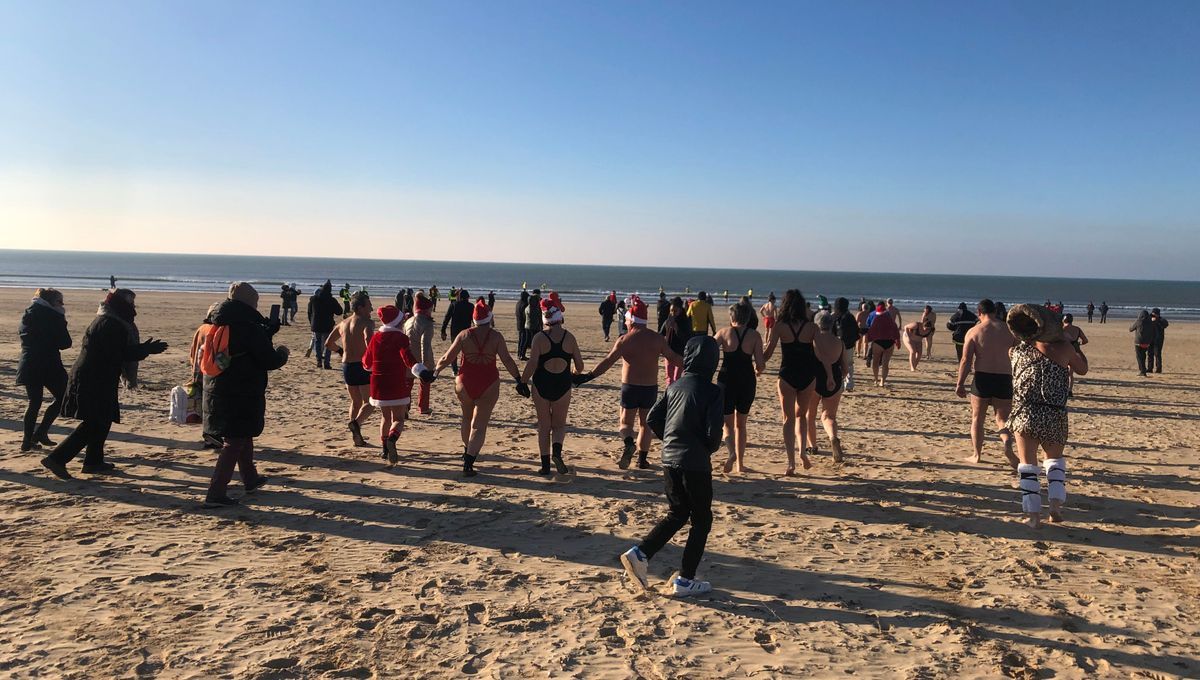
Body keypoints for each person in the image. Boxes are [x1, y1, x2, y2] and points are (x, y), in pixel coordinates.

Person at [619, 335, 723, 598]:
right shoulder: (713, 391)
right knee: (702, 520)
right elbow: (713, 435)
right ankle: (686, 579)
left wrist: (670, 439)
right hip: (695, 463)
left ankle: (640, 553)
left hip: (669, 459)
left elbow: (654, 418)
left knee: (678, 513)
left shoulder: (676, 386)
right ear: (713, 361)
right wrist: (705, 448)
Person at [38, 289, 166, 479]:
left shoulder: (112, 320)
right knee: (95, 422)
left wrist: (143, 349)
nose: (133, 307)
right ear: (120, 305)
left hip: (99, 376)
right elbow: (118, 353)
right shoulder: (109, 323)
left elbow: (118, 352)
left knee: (103, 420)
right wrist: (145, 350)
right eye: (130, 303)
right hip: (93, 377)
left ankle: (93, 461)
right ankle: (57, 458)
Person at [199, 283, 287, 507]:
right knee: (235, 440)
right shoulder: (248, 327)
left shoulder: (217, 322)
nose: (256, 306)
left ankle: (250, 478)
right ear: (248, 302)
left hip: (218, 387)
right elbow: (267, 359)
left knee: (241, 434)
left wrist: (267, 332)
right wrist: (282, 354)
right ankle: (216, 493)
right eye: (255, 302)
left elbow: (244, 347)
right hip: (239, 390)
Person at [574, 296, 683, 470]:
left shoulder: (625, 340)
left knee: (625, 424)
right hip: (650, 389)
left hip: (630, 387)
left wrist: (587, 377)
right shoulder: (657, 339)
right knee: (645, 426)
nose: (625, 322)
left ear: (631, 320)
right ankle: (642, 460)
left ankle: (628, 443)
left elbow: (607, 362)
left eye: (626, 319)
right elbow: (674, 358)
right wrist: (693, 367)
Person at [1005, 304, 1088, 528]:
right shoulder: (1064, 349)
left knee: (1028, 466)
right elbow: (1082, 369)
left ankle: (1033, 516)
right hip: (1054, 412)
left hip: (1026, 412)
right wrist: (1073, 346)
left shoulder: (1016, 351)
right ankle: (1055, 507)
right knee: (1054, 462)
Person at [434, 299, 524, 477]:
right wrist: (518, 379)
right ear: (489, 317)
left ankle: (467, 449)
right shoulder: (496, 337)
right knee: (479, 426)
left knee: (466, 418)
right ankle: (469, 461)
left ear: (474, 319)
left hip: (464, 382)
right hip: (488, 383)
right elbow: (507, 360)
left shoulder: (464, 335)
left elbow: (447, 357)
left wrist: (435, 372)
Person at [519, 298, 585, 475]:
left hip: (542, 384)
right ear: (559, 317)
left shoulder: (539, 338)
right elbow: (580, 366)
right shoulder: (569, 337)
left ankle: (545, 466)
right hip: (562, 384)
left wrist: (522, 382)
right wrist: (574, 372)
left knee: (544, 426)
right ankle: (557, 452)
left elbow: (532, 363)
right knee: (559, 425)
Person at [955, 299, 1018, 469]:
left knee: (977, 418)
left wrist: (960, 383)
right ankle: (1007, 444)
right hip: (1004, 378)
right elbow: (1018, 355)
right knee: (1002, 419)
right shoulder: (1009, 331)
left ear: (979, 313)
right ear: (995, 312)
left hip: (982, 378)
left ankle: (977, 455)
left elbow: (966, 360)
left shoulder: (974, 331)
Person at [363, 305, 428, 467]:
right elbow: (408, 358)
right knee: (398, 418)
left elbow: (367, 363)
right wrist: (421, 371)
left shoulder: (376, 338)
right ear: (397, 322)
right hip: (396, 381)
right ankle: (392, 439)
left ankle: (385, 448)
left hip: (378, 383)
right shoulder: (401, 338)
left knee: (385, 417)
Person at [762, 289, 818, 474]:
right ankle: (802, 452)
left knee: (788, 419)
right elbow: (820, 353)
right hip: (808, 375)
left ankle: (791, 462)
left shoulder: (779, 326)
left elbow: (768, 353)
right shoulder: (812, 327)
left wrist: (757, 363)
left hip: (787, 375)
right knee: (802, 415)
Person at [17, 288, 71, 452]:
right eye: (59, 301)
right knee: (64, 396)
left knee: (34, 402)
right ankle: (40, 432)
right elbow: (65, 343)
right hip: (48, 363)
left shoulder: (28, 313)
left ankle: (27, 440)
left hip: (28, 362)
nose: (62, 305)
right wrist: (61, 319)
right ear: (50, 302)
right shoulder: (54, 316)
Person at [716, 303, 765, 474]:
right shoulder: (755, 336)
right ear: (748, 318)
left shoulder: (723, 332)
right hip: (746, 381)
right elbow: (760, 364)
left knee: (727, 424)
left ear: (732, 317)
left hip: (726, 380)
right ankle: (740, 464)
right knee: (741, 424)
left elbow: (708, 351)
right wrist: (759, 370)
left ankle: (732, 453)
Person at [324, 291, 376, 447]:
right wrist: (374, 359)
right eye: (369, 306)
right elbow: (368, 341)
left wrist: (341, 351)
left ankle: (356, 436)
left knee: (355, 401)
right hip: (362, 365)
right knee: (370, 402)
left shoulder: (343, 323)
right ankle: (356, 424)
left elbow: (328, 343)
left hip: (347, 365)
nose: (371, 309)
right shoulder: (367, 322)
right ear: (360, 307)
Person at [809, 311, 849, 463]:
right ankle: (832, 437)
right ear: (832, 324)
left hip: (814, 379)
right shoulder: (839, 342)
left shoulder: (812, 341)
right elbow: (845, 369)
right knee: (829, 416)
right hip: (834, 380)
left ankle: (812, 446)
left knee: (810, 416)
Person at [188, 302, 222, 449]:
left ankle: (209, 436)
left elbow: (193, 351)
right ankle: (212, 437)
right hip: (211, 372)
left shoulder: (201, 329)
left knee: (205, 405)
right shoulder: (215, 330)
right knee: (213, 406)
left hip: (199, 371)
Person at [404, 291, 437, 415]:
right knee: (425, 383)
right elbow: (425, 344)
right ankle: (423, 407)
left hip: (408, 357)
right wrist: (425, 363)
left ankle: (405, 407)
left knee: (407, 384)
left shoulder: (408, 321)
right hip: (422, 357)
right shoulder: (427, 324)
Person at [307, 281, 342, 369]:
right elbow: (339, 311)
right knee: (328, 344)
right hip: (327, 325)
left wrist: (311, 323)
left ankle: (319, 361)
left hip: (316, 324)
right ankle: (326, 363)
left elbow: (309, 312)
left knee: (318, 343)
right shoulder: (331, 300)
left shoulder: (314, 299)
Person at [865, 303, 901, 387]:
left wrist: (868, 340)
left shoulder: (876, 319)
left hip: (878, 342)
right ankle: (882, 382)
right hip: (890, 343)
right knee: (885, 364)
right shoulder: (890, 319)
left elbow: (871, 330)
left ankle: (876, 380)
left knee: (875, 362)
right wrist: (898, 341)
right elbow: (896, 330)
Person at [442, 289, 474, 374]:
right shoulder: (471, 306)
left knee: (454, 351)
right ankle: (465, 368)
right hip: (466, 331)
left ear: (459, 297)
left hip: (455, 331)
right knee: (466, 351)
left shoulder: (454, 304)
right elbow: (474, 320)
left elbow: (447, 318)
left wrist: (443, 330)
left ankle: (455, 370)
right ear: (468, 297)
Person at [661, 296, 690, 387]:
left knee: (677, 377)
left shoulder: (685, 321)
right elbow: (661, 334)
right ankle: (669, 394)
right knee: (669, 378)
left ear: (680, 310)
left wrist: (676, 328)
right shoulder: (668, 320)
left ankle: (676, 393)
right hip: (669, 352)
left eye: (675, 311)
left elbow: (687, 338)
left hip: (680, 353)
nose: (673, 313)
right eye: (671, 311)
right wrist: (667, 327)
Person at [832, 297, 859, 392]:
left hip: (837, 345)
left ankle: (841, 385)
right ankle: (849, 384)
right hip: (848, 345)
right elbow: (856, 332)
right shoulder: (850, 317)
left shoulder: (835, 317)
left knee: (839, 365)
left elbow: (831, 332)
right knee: (849, 364)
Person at [1062, 313, 1089, 394]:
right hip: (1074, 351)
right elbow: (1085, 340)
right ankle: (1070, 390)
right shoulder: (1077, 329)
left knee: (1063, 371)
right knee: (1071, 373)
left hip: (1064, 351)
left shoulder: (1061, 329)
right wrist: (1079, 343)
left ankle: (1063, 388)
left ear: (1064, 320)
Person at [1129, 310, 1158, 377]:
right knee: (1143, 356)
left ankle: (1142, 371)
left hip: (1139, 342)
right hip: (1147, 342)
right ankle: (1143, 370)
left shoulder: (1139, 321)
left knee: (1139, 357)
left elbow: (1130, 329)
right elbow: (1154, 331)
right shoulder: (1151, 322)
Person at [1148, 308, 1168, 374]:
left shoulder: (1161, 320)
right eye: (1153, 313)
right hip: (1150, 339)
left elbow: (1165, 324)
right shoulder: (1149, 318)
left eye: (1155, 314)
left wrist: (1156, 320)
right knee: (1150, 354)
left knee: (1157, 354)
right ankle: (1150, 368)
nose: (1153, 315)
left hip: (1158, 340)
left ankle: (1158, 369)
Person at [524, 288, 544, 354]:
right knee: (534, 341)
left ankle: (523, 353)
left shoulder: (528, 306)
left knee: (528, 340)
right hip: (534, 326)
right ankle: (534, 353)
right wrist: (540, 325)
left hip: (528, 325)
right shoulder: (535, 307)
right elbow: (538, 317)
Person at [515, 290, 531, 360]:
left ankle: (519, 354)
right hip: (523, 323)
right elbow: (525, 315)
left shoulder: (518, 303)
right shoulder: (525, 304)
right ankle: (522, 355)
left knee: (520, 340)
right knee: (524, 340)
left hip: (519, 323)